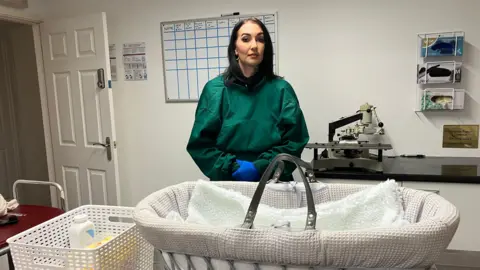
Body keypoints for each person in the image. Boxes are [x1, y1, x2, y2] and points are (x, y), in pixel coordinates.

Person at [186, 18, 309, 181]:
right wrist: (233, 167)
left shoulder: (281, 90)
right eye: (246, 39)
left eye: (260, 39)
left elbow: (295, 141)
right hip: (229, 181)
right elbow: (201, 145)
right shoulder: (215, 90)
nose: (254, 46)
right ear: (235, 49)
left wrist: (260, 167)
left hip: (273, 180)